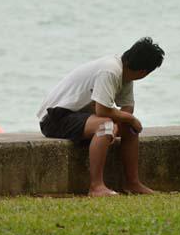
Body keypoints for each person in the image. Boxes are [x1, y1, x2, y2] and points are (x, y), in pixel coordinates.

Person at [38, 37, 165, 197]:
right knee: (105, 126)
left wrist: (125, 122)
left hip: (79, 116)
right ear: (144, 72)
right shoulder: (110, 70)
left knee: (129, 127)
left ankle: (132, 183)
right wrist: (126, 120)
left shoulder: (126, 74)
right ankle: (96, 186)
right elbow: (102, 110)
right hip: (54, 118)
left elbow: (127, 109)